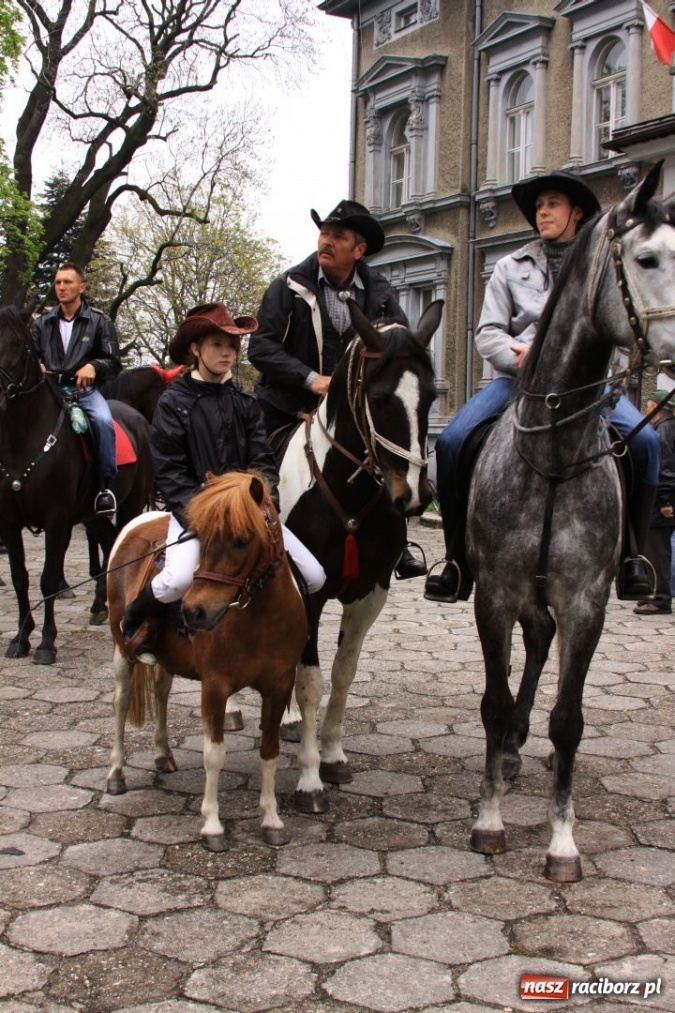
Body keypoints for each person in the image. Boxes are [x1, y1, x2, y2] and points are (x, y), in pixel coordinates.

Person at [425, 170, 661, 603]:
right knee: (453, 441)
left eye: (552, 204)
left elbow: (618, 318)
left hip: (587, 390)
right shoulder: (510, 266)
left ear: (576, 212)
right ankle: (457, 559)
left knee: (645, 442)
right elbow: (488, 332)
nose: (542, 212)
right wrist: (520, 352)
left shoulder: (601, 265)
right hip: (517, 383)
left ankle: (632, 556)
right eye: (538, 206)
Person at [120, 302, 326, 660]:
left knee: (314, 575)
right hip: (195, 517)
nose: (228, 353)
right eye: (218, 344)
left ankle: (289, 645)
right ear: (195, 349)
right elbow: (169, 470)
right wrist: (204, 518)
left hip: (247, 518)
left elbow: (262, 460)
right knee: (178, 579)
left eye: (233, 346)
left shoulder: (247, 402)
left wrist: (265, 506)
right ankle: (137, 621)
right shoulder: (172, 403)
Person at [248, 199, 426, 580]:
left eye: (338, 236)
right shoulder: (288, 286)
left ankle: (400, 542)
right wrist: (311, 379)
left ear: (358, 250)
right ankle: (242, 537)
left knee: (392, 451)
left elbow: (398, 350)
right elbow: (260, 347)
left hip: (353, 414)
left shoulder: (381, 294)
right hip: (287, 406)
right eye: (324, 233)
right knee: (247, 459)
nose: (326, 241)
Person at [31, 262, 121, 516]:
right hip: (48, 391)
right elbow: (31, 357)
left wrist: (94, 366)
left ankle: (105, 488)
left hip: (84, 393)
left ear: (81, 287)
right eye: (58, 282)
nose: (61, 287)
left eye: (67, 282)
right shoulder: (41, 323)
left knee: (103, 422)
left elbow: (114, 363)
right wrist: (35, 366)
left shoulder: (100, 321)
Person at [634, 390, 675, 615]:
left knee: (658, 551)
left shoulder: (664, 430)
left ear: (654, 407)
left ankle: (660, 599)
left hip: (662, 502)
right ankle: (651, 593)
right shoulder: (664, 428)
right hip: (662, 500)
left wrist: (665, 500)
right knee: (652, 549)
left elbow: (666, 469)